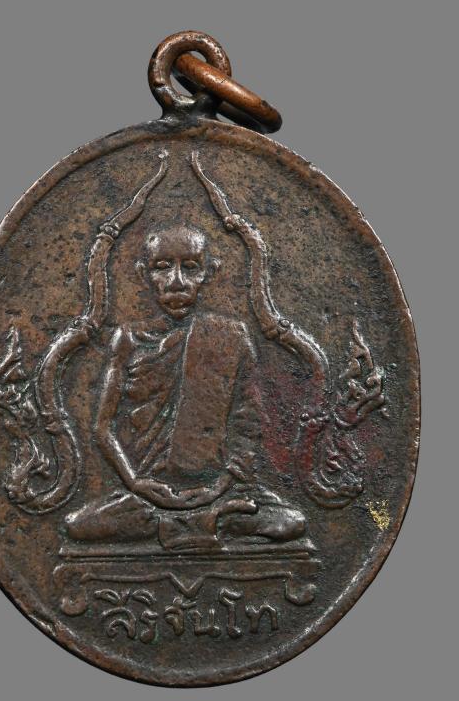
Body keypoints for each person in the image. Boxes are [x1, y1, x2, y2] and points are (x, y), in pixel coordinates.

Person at [65, 223, 306, 551]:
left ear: (210, 272)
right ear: (143, 273)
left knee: (291, 521)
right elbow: (102, 428)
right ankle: (201, 522)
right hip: (146, 493)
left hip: (221, 490)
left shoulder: (232, 336)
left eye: (190, 267)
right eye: (163, 267)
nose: (176, 281)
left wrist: (218, 488)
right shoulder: (128, 339)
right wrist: (136, 483)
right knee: (79, 525)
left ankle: (190, 520)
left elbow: (247, 427)